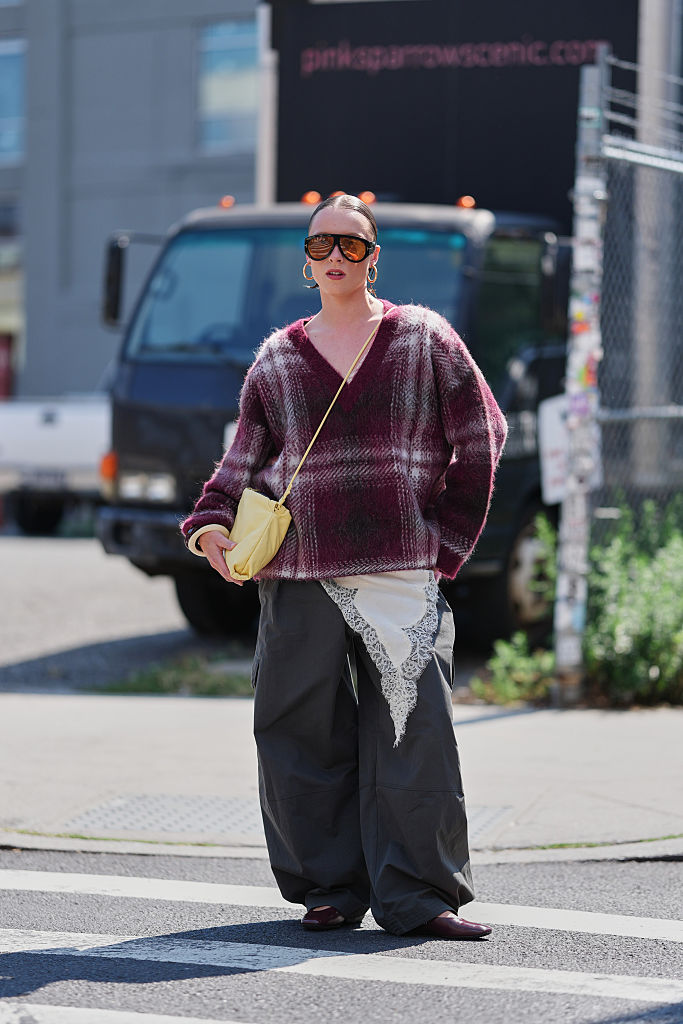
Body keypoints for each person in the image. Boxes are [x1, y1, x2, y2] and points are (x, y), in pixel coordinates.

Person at [180, 194, 507, 939]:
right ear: (306, 258)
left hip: (398, 568)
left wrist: (446, 544)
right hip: (297, 575)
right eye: (322, 243)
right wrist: (207, 525)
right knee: (297, 732)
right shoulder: (275, 358)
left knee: (414, 730)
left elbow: (481, 435)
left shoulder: (424, 337)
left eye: (352, 246)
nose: (336, 256)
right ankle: (327, 888)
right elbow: (242, 460)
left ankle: (419, 897)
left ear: (372, 258)